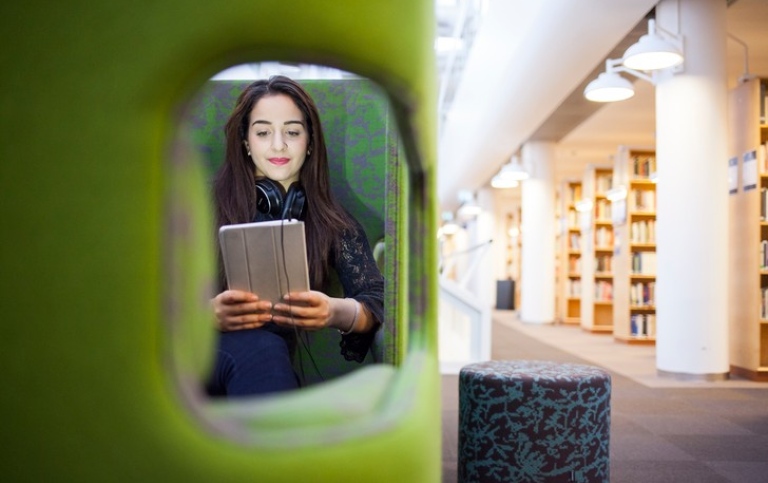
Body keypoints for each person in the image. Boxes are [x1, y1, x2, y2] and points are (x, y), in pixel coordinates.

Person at [206, 75, 385, 398]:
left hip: (263, 363)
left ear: (310, 141)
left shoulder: (331, 221)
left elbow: (377, 299)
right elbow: (141, 300)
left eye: (292, 132)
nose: (278, 145)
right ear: (245, 141)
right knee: (263, 349)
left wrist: (333, 311)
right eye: (262, 132)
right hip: (191, 354)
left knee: (265, 349)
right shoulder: (199, 207)